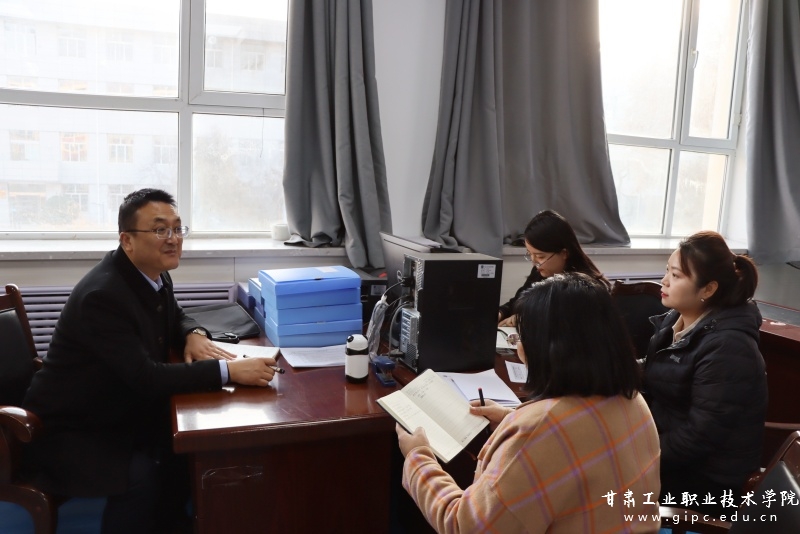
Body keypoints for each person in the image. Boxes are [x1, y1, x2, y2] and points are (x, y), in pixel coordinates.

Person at [23, 189, 277, 534]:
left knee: (186, 447)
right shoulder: (103, 295)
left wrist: (194, 333)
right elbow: (147, 378)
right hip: (71, 430)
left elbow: (176, 316)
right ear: (127, 240)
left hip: (113, 406)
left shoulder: (150, 273)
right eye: (160, 230)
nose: (173, 239)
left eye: (177, 228)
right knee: (147, 468)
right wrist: (229, 370)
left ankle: (178, 521)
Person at [396, 273, 661, 533]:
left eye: (521, 338)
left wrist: (418, 456)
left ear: (548, 349)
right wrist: (510, 418)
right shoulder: (632, 399)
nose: (519, 347)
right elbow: (578, 436)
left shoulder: (540, 430)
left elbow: (465, 526)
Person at [641, 231, 766, 517]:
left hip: (706, 481)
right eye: (667, 271)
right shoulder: (678, 319)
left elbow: (699, 437)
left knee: (598, 485)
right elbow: (655, 370)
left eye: (676, 275)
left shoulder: (729, 347)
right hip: (672, 458)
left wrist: (639, 455)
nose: (664, 281)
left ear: (708, 289)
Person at [498, 210, 609, 326]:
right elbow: (518, 301)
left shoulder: (584, 287)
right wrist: (501, 312)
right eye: (530, 254)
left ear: (564, 253)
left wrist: (527, 317)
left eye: (540, 256)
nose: (534, 263)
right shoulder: (540, 272)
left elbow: (564, 322)